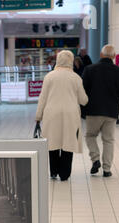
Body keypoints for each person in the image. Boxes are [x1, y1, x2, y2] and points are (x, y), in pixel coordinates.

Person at [35, 50, 89, 181]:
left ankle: (53, 171)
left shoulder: (49, 76)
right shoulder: (76, 78)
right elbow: (84, 100)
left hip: (51, 114)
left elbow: (43, 98)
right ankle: (64, 174)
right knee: (68, 143)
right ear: (70, 61)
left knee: (52, 142)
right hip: (70, 115)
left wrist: (38, 116)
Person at [82, 44, 119, 177]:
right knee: (108, 140)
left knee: (90, 136)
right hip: (111, 111)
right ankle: (107, 169)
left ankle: (95, 159)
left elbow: (82, 91)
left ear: (101, 55)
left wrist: (82, 109)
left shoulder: (89, 69)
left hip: (93, 111)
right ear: (114, 56)